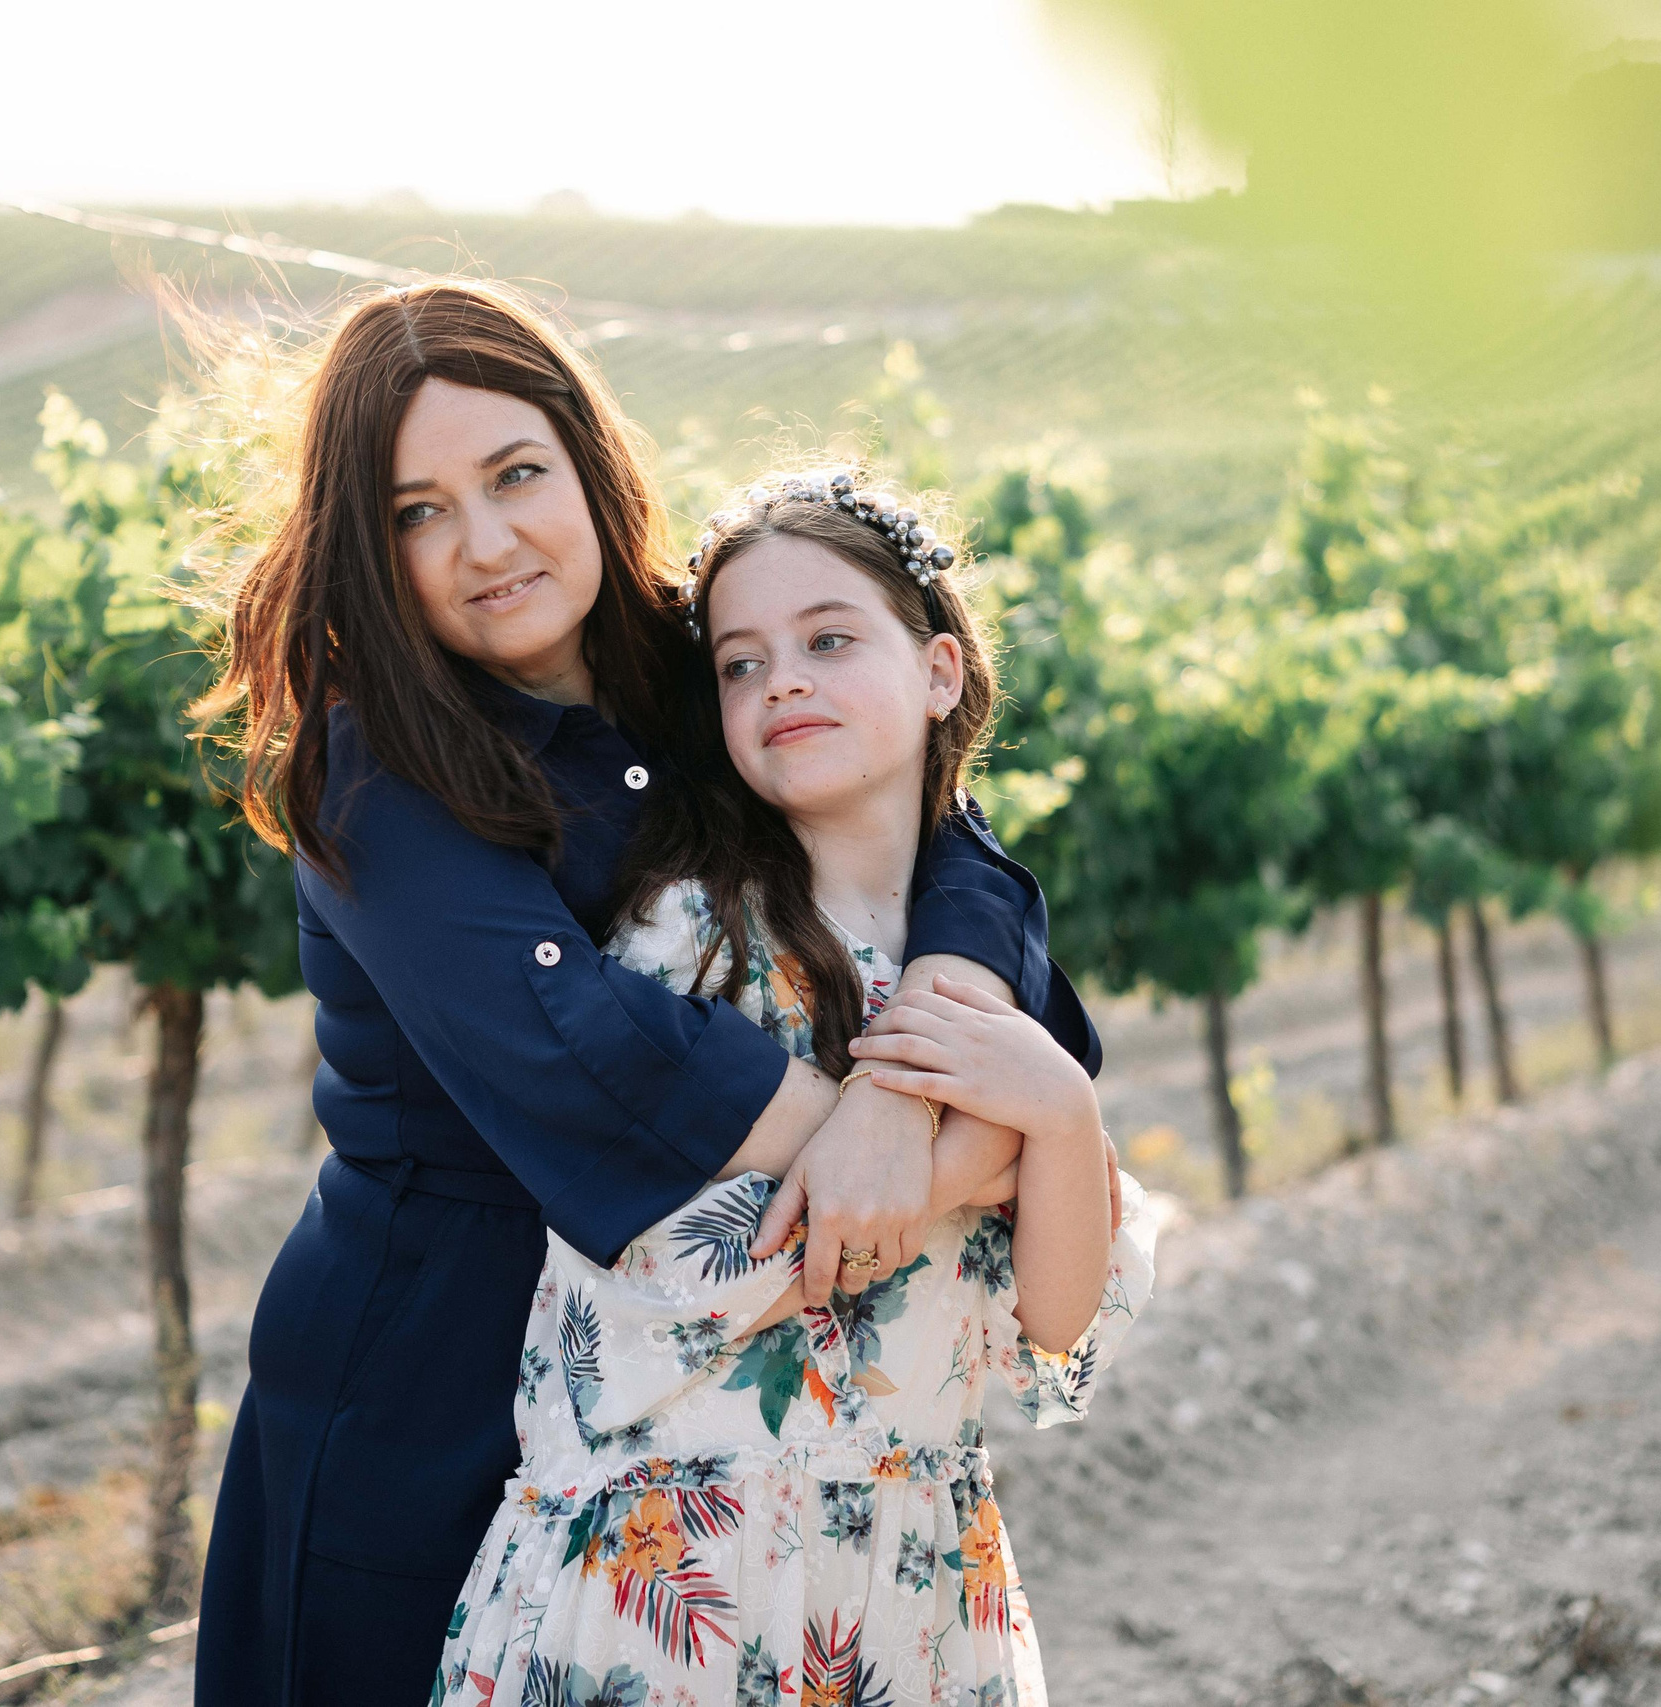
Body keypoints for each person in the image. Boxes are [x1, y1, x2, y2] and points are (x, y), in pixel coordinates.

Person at [191, 282, 1098, 1705]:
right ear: (369, 553)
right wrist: (925, 1141)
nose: (485, 542)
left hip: (701, 1386)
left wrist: (910, 1072)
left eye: (514, 476)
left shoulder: (712, 667)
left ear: (588, 464)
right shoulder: (371, 770)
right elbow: (585, 1041)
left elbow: (945, 829)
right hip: (428, 1374)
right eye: (417, 511)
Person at [430, 469, 1153, 1707]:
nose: (785, 684)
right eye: (741, 664)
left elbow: (1053, 1327)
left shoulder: (986, 981)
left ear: (937, 673)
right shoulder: (685, 937)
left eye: (827, 640)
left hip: (914, 1583)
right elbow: (653, 1286)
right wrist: (988, 1159)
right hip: (675, 1584)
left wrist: (1066, 1113)